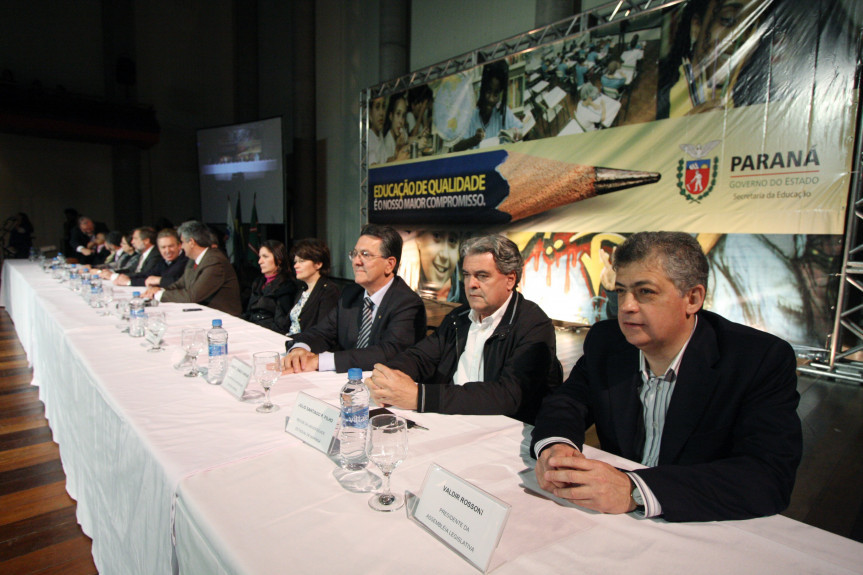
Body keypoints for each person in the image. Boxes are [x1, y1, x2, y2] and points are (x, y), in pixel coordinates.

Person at [531, 231, 802, 522]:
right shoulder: (607, 341)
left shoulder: (757, 359)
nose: (626, 306)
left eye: (645, 292)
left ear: (693, 298)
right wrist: (556, 446)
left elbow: (768, 477)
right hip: (609, 522)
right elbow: (568, 402)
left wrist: (634, 490)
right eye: (621, 290)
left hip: (701, 523)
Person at [367, 235, 561, 424]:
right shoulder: (459, 317)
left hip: (503, 431)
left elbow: (507, 396)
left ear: (510, 280)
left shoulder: (534, 325)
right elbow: (420, 357)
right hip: (449, 420)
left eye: (482, 276)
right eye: (467, 275)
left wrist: (421, 396)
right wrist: (388, 377)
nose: (471, 284)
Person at [282, 224, 426, 373]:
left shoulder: (407, 303)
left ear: (389, 264)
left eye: (365, 255)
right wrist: (300, 348)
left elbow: (388, 353)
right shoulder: (351, 294)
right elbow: (322, 332)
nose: (356, 261)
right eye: (355, 254)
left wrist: (320, 361)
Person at [143, 220, 242, 316]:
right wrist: (160, 289)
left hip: (223, 317)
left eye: (182, 242)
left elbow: (192, 296)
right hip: (203, 313)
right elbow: (181, 284)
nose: (181, 247)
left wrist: (158, 295)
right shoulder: (193, 259)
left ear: (191, 242)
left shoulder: (214, 261)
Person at [454, 60, 524, 151]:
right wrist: (473, 140)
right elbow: (455, 147)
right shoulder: (470, 117)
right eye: (488, 91)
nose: (491, 99)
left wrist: (516, 134)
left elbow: (522, 131)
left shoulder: (504, 114)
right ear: (482, 90)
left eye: (496, 94)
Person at [287, 238, 340, 335]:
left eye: (301, 261)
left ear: (318, 264)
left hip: (306, 345)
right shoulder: (303, 290)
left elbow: (323, 330)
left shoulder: (328, 290)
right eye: (295, 262)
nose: (296, 266)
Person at [243, 240, 298, 333]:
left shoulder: (286, 285)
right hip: (251, 329)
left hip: (269, 333)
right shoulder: (258, 282)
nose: (260, 261)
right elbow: (248, 313)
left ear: (279, 259)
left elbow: (281, 324)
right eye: (260, 257)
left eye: (265, 257)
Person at [120, 228, 188, 288]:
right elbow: (148, 275)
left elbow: (176, 282)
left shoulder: (185, 260)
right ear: (159, 248)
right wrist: (128, 278)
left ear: (179, 246)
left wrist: (129, 282)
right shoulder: (163, 261)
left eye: (171, 246)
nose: (167, 251)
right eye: (163, 247)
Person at [415, 230, 461, 302]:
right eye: (437, 236)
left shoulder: (469, 301)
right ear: (418, 238)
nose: (445, 255)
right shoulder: (399, 292)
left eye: (452, 240)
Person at [382, 93, 410, 163]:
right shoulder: (387, 143)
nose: (401, 121)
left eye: (403, 116)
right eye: (398, 114)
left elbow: (409, 140)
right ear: (391, 116)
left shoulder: (401, 133)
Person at [367, 96, 387, 166]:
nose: (381, 113)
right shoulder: (368, 138)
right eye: (377, 107)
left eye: (383, 107)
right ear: (370, 113)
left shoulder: (380, 135)